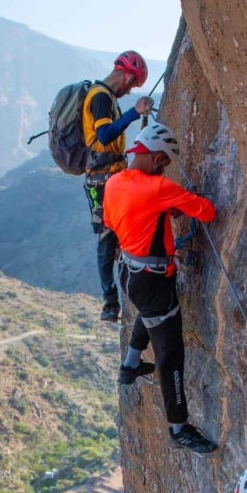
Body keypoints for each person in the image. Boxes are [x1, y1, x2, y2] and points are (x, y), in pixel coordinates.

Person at [103, 120, 218, 454]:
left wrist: (158, 210)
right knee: (170, 353)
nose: (165, 168)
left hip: (127, 272)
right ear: (155, 157)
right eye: (164, 162)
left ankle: (130, 364)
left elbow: (115, 221)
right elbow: (207, 212)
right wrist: (172, 200)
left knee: (151, 315)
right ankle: (179, 427)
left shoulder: (113, 183)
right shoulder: (158, 188)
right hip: (152, 279)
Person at [82, 50, 154, 322]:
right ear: (126, 74)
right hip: (102, 178)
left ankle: (119, 294)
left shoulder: (106, 97)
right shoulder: (100, 97)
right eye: (132, 83)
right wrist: (134, 113)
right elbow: (104, 135)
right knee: (107, 237)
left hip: (110, 175)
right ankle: (109, 302)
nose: (130, 89)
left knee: (118, 235)